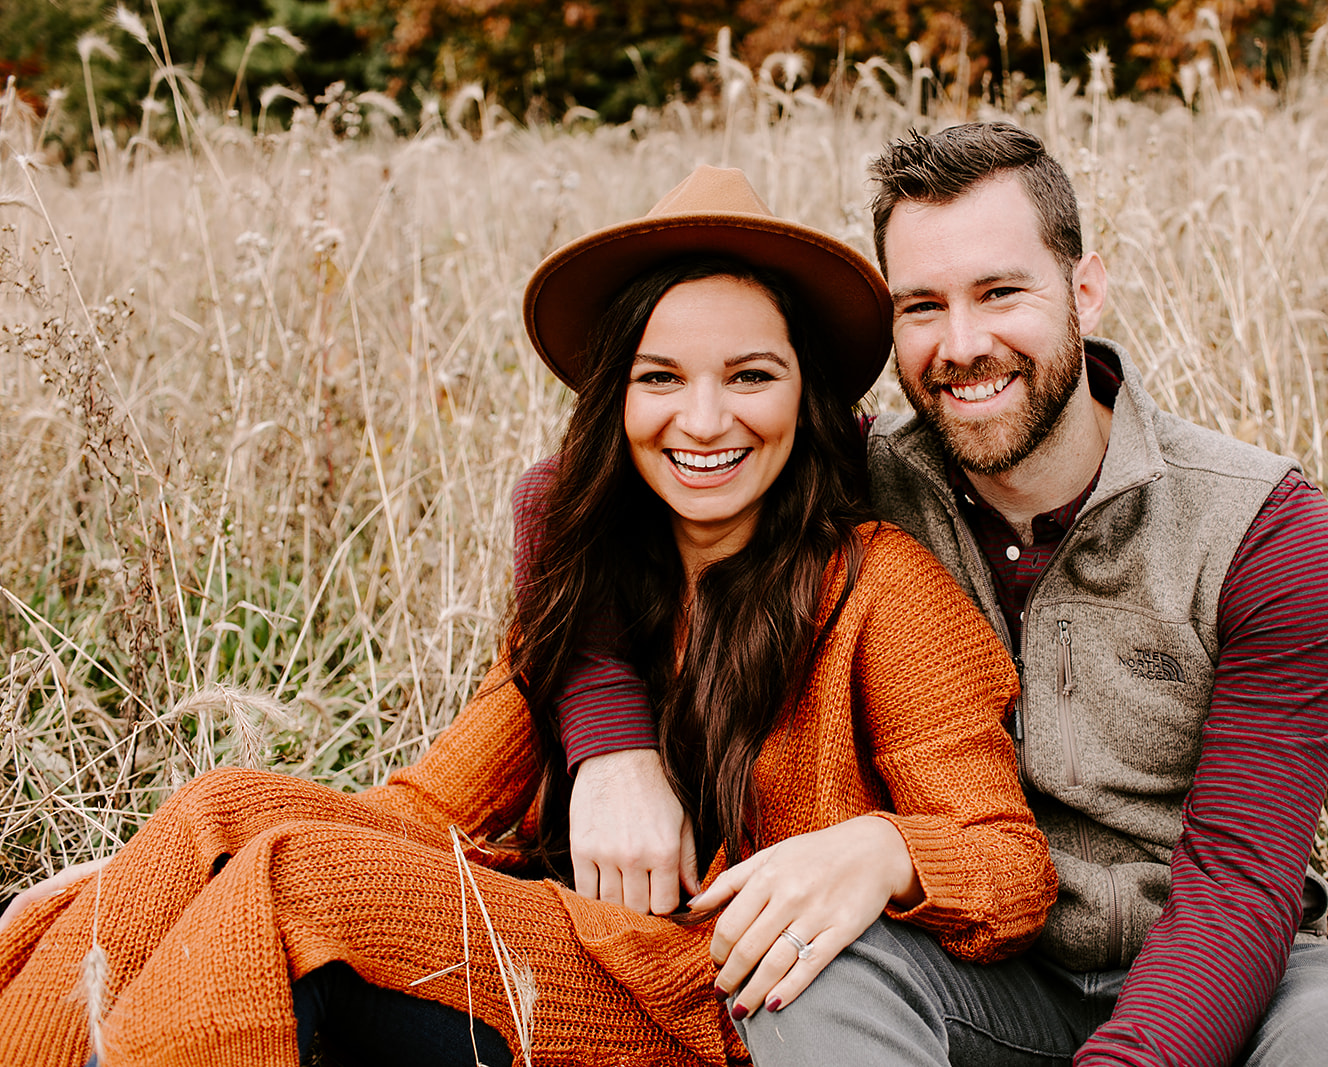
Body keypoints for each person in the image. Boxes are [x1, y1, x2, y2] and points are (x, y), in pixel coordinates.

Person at [0, 165, 1056, 1067]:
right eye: (660, 378)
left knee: (290, 881)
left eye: (750, 376)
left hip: (706, 1003)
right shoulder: (593, 593)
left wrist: (880, 849)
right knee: (219, 812)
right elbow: (426, 809)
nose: (702, 418)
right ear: (616, 401)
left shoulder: (882, 589)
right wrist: (162, 869)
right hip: (569, 948)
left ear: (807, 400)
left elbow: (1010, 866)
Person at [551, 126, 1328, 1065]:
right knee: (800, 978)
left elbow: (1239, 882)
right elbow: (570, 492)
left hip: (1232, 970)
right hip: (971, 970)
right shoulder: (858, 477)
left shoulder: (1259, 528)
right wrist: (612, 744)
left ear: (1084, 288)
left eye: (1000, 292)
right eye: (922, 306)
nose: (963, 344)